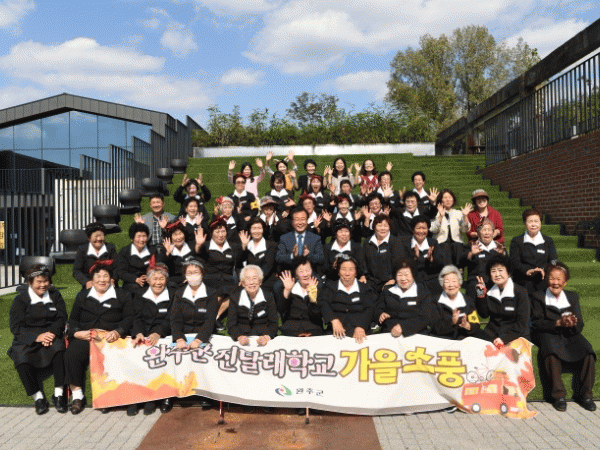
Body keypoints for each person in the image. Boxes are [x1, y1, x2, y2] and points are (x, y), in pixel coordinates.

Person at [65, 264, 133, 414]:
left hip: (110, 338)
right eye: (98, 276)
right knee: (72, 354)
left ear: (111, 279)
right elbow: (73, 320)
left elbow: (129, 318)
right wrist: (76, 333)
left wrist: (118, 331)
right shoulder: (82, 296)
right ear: (92, 279)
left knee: (111, 355)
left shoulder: (123, 295)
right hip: (87, 337)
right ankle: (77, 397)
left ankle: (106, 398)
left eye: (105, 276)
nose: (102, 280)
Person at [531, 262, 596, 412]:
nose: (555, 282)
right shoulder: (538, 296)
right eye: (552, 278)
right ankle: (559, 396)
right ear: (547, 280)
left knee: (588, 352)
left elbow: (580, 324)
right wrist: (558, 323)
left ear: (565, 282)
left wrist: (572, 323)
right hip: (547, 332)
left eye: (559, 279)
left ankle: (586, 396)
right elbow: (536, 323)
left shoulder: (572, 297)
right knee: (551, 352)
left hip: (569, 333)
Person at [8, 265, 68, 414]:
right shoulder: (20, 300)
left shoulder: (55, 295)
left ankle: (58, 394)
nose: (43, 285)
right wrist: (37, 337)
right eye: (39, 282)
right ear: (30, 283)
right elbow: (16, 327)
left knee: (59, 350)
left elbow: (61, 317)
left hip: (50, 334)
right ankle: (38, 397)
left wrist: (52, 333)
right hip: (29, 336)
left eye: (46, 281)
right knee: (21, 359)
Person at [170, 259, 217, 409]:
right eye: (189, 272)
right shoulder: (179, 293)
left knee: (203, 357)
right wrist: (179, 338)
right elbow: (175, 319)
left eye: (196, 272)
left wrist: (199, 339)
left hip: (203, 334)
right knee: (175, 357)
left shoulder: (211, 293)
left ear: (202, 274)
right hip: (184, 334)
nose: (193, 275)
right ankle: (173, 394)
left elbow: (210, 320)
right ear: (185, 275)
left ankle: (205, 394)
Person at [130, 262, 176, 415]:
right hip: (143, 334)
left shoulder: (173, 295)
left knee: (159, 354)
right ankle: (136, 397)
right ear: (148, 280)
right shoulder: (139, 294)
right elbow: (136, 317)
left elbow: (172, 318)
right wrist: (138, 333)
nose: (158, 282)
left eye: (161, 279)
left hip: (164, 335)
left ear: (166, 280)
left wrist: (158, 333)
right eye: (154, 279)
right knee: (135, 353)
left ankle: (153, 397)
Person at [194, 216, 242, 331]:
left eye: (223, 231)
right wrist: (198, 245)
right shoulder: (206, 246)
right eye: (217, 231)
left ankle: (215, 317)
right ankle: (211, 318)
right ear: (211, 233)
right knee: (220, 291)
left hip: (228, 279)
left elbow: (239, 265)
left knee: (238, 291)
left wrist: (241, 278)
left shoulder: (233, 247)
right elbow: (197, 257)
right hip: (210, 279)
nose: (221, 235)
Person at [474, 254, 530, 347]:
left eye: (500, 270)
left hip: (515, 336)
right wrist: (480, 294)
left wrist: (504, 339)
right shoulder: (489, 290)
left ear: (509, 272)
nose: (497, 274)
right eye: (493, 271)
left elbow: (522, 323)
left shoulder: (520, 292)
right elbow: (484, 315)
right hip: (492, 334)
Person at [320, 255, 375, 343]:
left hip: (360, 334)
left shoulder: (365, 288)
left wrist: (361, 326)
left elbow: (369, 309)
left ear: (356, 272)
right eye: (343, 269)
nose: (347, 273)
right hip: (336, 334)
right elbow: (323, 303)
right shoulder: (329, 287)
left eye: (351, 269)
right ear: (338, 272)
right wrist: (333, 320)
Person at [376, 259, 434, 337]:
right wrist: (380, 314)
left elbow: (426, 317)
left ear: (413, 275)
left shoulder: (423, 292)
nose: (403, 279)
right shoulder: (387, 290)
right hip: (389, 334)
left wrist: (403, 327)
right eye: (399, 275)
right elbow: (377, 309)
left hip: (416, 335)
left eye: (407, 275)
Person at [510, 208, 558, 295]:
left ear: (540, 223)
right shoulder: (516, 241)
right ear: (525, 223)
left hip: (543, 281)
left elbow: (553, 261)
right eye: (530, 221)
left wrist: (543, 269)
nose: (533, 224)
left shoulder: (548, 241)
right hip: (522, 282)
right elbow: (514, 262)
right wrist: (527, 270)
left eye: (536, 221)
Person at [228, 265, 279, 345]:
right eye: (247, 279)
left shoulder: (268, 296)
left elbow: (274, 323)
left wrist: (266, 337)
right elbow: (231, 324)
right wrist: (239, 337)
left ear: (260, 281)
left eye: (254, 278)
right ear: (243, 283)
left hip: (263, 336)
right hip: (242, 337)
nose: (251, 282)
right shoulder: (235, 297)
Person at [430, 265, 480, 340]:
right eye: (447, 282)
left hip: (463, 341)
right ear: (442, 285)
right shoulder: (435, 301)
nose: (451, 285)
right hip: (441, 341)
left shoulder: (468, 301)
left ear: (459, 284)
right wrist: (452, 322)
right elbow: (434, 328)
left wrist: (467, 325)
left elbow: (476, 325)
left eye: (454, 281)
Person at [460, 218, 506, 299]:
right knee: (480, 300)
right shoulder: (471, 246)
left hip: (495, 284)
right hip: (476, 284)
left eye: (489, 230)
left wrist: (503, 255)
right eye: (484, 230)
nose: (487, 233)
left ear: (493, 233)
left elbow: (508, 268)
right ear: (478, 233)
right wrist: (471, 254)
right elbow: (461, 263)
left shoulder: (500, 247)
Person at [278, 257, 323, 336]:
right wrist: (287, 290)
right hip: (291, 330)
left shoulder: (318, 288)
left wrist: (312, 299)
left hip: (313, 330)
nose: (305, 274)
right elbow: (281, 310)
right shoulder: (290, 288)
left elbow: (317, 316)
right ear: (296, 275)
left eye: (308, 270)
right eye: (301, 271)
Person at [399, 216, 444, 296]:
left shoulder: (433, 243)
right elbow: (402, 265)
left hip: (431, 280)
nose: (421, 231)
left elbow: (440, 264)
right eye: (418, 228)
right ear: (413, 229)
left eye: (424, 228)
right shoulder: (404, 243)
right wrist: (415, 258)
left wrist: (431, 259)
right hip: (412, 281)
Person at [276, 208, 324, 273]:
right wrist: (292, 256)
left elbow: (321, 259)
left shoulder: (315, 238)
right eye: (297, 219)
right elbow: (278, 258)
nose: (300, 223)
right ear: (292, 222)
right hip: (290, 274)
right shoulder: (284, 238)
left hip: (310, 274)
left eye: (303, 219)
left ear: (307, 220)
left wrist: (309, 255)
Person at [430, 188, 471, 266]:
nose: (448, 200)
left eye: (450, 197)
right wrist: (440, 216)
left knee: (457, 246)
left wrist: (465, 216)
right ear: (441, 200)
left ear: (453, 199)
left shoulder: (459, 213)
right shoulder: (436, 213)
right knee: (445, 247)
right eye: (445, 198)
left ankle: (459, 269)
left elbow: (464, 230)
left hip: (457, 245)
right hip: (441, 244)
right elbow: (433, 229)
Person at [363, 215, 404, 293]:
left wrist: (394, 279)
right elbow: (363, 261)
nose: (383, 228)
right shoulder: (367, 242)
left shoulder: (395, 242)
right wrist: (363, 275)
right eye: (379, 225)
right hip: (371, 281)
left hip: (389, 281)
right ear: (374, 227)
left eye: (385, 225)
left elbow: (399, 263)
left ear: (389, 227)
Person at [115, 223, 156, 298]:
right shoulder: (125, 251)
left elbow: (157, 268)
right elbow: (121, 272)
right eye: (138, 236)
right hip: (131, 284)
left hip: (149, 282)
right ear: (132, 238)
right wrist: (135, 279)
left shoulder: (152, 250)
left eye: (144, 236)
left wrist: (149, 277)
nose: (142, 240)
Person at [72, 222, 117, 289]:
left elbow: (117, 267)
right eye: (96, 236)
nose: (99, 239)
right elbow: (77, 271)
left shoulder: (110, 248)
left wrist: (113, 279)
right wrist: (86, 282)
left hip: (108, 284)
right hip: (91, 285)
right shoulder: (82, 250)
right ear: (89, 238)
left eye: (101, 235)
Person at [239, 217, 278, 292]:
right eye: (254, 228)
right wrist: (243, 247)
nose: (257, 231)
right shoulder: (246, 244)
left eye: (259, 228)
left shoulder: (271, 245)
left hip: (265, 280)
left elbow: (268, 266)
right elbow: (239, 263)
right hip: (248, 280)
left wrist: (255, 281)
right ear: (250, 230)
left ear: (263, 229)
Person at [162, 219, 195, 288]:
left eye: (180, 233)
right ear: (170, 237)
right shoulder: (166, 249)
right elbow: (161, 267)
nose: (178, 237)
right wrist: (167, 253)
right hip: (174, 284)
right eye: (175, 235)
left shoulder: (191, 246)